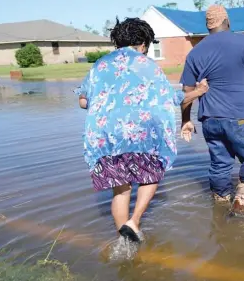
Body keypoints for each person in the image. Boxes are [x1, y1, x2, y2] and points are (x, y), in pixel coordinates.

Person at [75, 17, 208, 243]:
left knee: (120, 190)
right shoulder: (148, 66)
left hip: (107, 138)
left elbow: (83, 101)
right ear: (144, 44)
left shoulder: (100, 65)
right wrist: (199, 91)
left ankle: (124, 241)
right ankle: (134, 221)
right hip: (142, 136)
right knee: (151, 175)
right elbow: (170, 98)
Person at [179, 5, 244, 218]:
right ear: (227, 21)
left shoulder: (194, 53)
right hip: (240, 118)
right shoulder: (243, 42)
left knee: (219, 165)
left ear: (208, 26)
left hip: (210, 121)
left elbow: (187, 92)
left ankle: (220, 204)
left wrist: (185, 121)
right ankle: (243, 191)